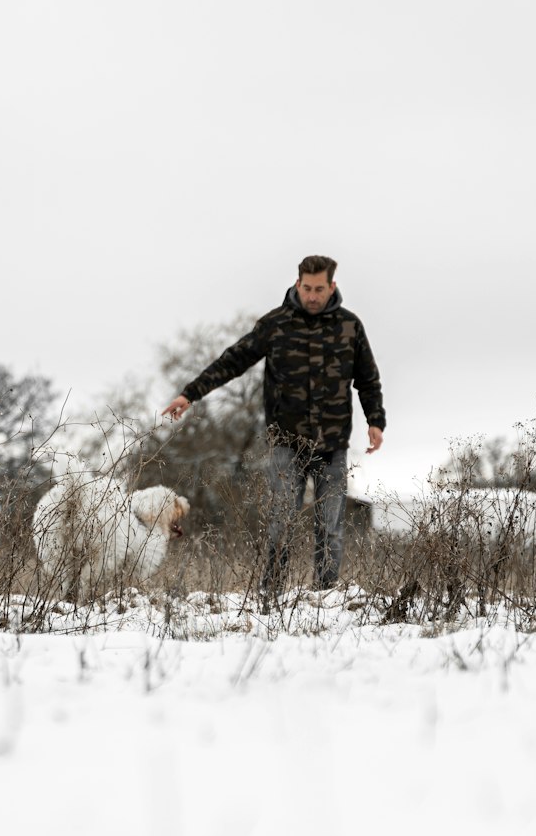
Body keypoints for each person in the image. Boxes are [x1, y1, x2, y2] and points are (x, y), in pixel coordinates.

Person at [161, 255, 385, 600]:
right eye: (307, 288)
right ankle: (272, 594)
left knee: (331, 527)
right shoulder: (276, 324)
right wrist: (190, 394)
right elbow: (233, 360)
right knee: (280, 523)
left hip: (332, 446)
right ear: (298, 284)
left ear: (332, 287)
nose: (312, 296)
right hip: (286, 445)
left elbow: (368, 380)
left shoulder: (349, 327)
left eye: (319, 289)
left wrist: (375, 421)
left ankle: (325, 598)